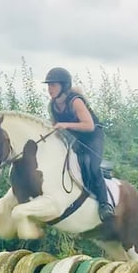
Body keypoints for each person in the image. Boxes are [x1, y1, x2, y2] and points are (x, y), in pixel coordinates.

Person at [42, 66, 115, 221]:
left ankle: (105, 205)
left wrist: (66, 125)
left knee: (92, 167)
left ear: (63, 86)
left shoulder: (75, 102)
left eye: (53, 85)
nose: (50, 89)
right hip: (77, 138)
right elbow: (55, 125)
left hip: (93, 137)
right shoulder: (53, 105)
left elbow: (89, 126)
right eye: (48, 85)